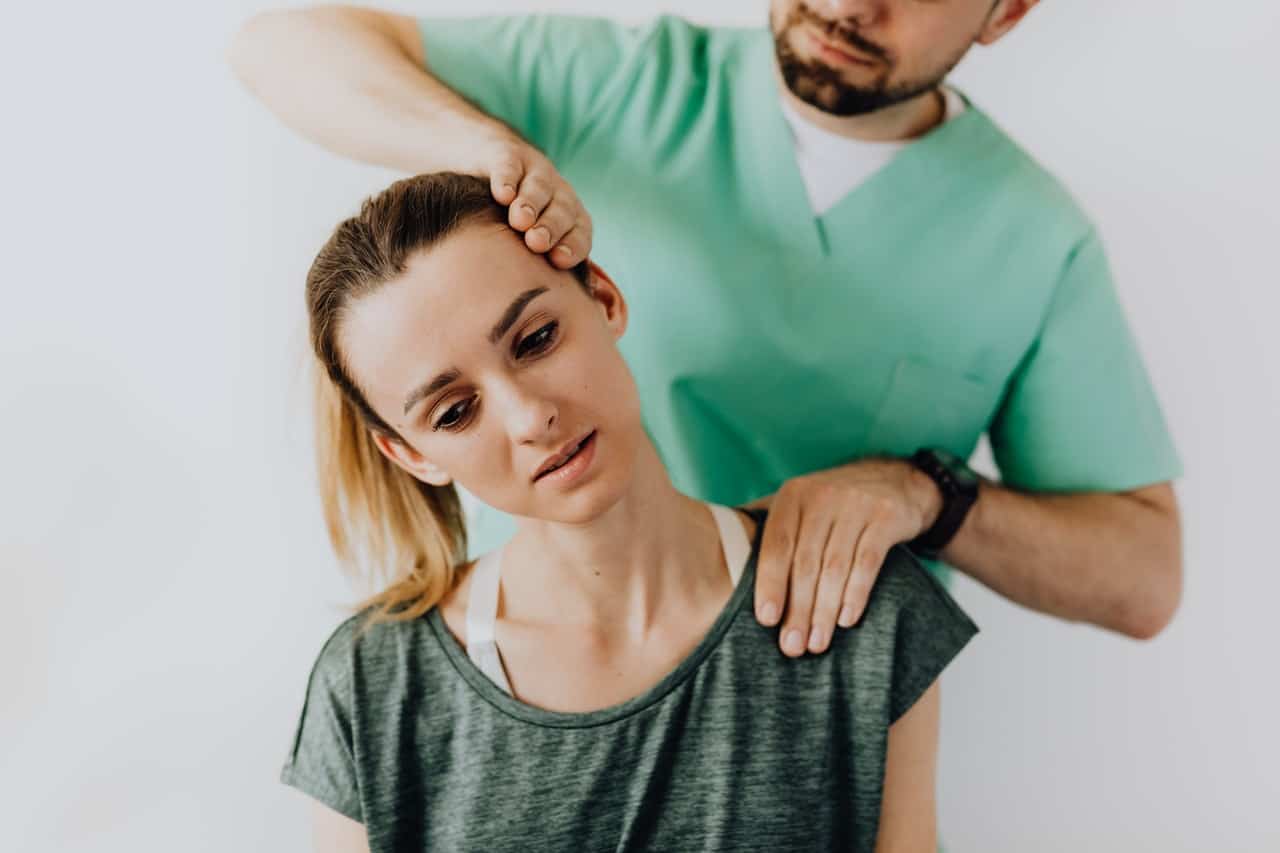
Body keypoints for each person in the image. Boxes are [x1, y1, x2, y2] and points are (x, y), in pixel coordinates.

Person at [229, 1, 1183, 659]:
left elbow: (1144, 579)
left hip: (802, 714)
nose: (847, 4)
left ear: (1007, 12)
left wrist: (926, 493)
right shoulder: (618, 86)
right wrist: (483, 149)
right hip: (536, 671)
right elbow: (280, 42)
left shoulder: (1034, 238)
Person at [286, 170, 977, 852]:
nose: (531, 416)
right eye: (456, 411)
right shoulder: (371, 686)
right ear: (413, 456)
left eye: (535, 340)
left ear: (604, 298)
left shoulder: (858, 605)